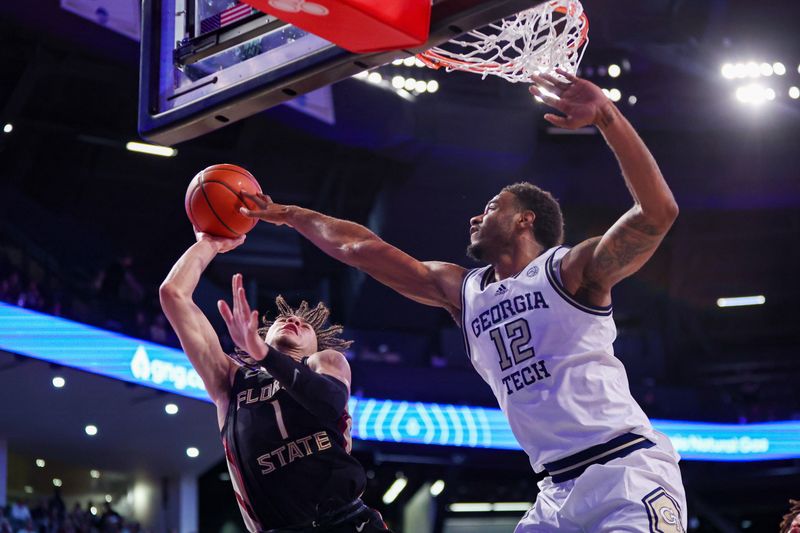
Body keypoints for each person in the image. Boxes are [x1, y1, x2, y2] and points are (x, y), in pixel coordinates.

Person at [240, 69, 686, 532]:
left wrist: (608, 117)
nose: (476, 214)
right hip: (556, 491)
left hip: (624, 472)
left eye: (493, 206)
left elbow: (657, 213)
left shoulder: (570, 271)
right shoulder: (463, 291)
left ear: (524, 221)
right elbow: (361, 249)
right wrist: (292, 214)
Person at [159, 231, 390, 533]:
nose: (293, 321)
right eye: (283, 321)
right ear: (262, 335)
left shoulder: (326, 362)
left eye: (304, 325)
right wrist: (211, 243)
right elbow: (172, 293)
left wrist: (264, 353)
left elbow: (329, 403)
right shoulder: (230, 380)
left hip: (346, 522)